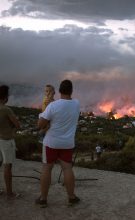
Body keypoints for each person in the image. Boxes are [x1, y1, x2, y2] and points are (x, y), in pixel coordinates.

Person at [36, 79, 80, 208]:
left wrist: (42, 113)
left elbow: (40, 125)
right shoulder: (76, 104)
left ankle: (43, 199)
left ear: (59, 91)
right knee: (67, 168)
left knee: (47, 169)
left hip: (51, 143)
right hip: (67, 143)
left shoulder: (53, 106)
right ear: (71, 91)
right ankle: (71, 197)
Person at [0, 85, 20, 198]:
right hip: (6, 140)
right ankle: (9, 193)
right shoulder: (6, 109)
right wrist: (13, 130)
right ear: (5, 97)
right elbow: (17, 125)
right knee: (7, 166)